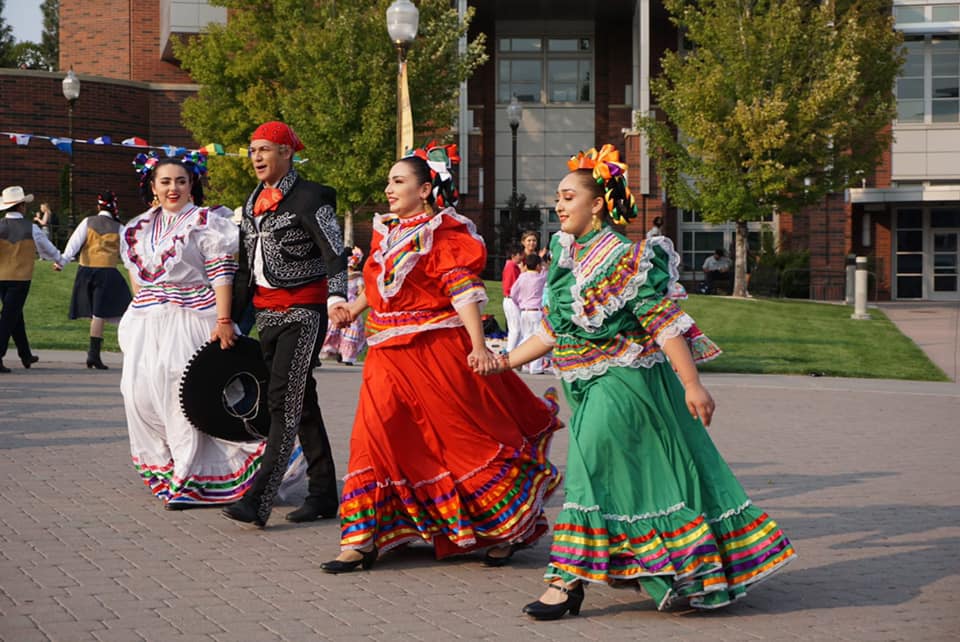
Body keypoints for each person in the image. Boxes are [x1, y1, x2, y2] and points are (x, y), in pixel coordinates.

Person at [480, 145, 795, 618]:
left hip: (623, 382)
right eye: (558, 199)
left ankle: (566, 581)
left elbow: (664, 323)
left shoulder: (629, 258)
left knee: (588, 476)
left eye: (568, 196)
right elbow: (551, 331)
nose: (559, 206)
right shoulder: (566, 263)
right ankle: (668, 566)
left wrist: (692, 384)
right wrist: (505, 362)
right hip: (583, 388)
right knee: (617, 481)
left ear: (598, 204)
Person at [319, 143, 562, 574]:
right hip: (386, 356)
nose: (389, 189)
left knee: (459, 440)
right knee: (371, 437)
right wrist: (349, 311)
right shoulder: (386, 230)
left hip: (435, 351)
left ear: (426, 189)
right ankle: (360, 539)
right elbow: (379, 286)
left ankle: (508, 530)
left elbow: (464, 291)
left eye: (399, 181)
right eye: (389, 181)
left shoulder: (445, 232)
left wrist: (478, 344)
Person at [118, 153, 266, 508]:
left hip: (192, 318)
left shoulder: (206, 223)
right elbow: (137, 280)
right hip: (147, 323)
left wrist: (224, 320)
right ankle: (166, 467)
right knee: (138, 396)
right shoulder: (136, 228)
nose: (173, 188)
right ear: (152, 186)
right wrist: (140, 317)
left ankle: (191, 478)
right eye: (166, 182)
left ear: (192, 185)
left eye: (181, 181)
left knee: (181, 396)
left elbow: (221, 276)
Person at [223, 121, 348, 529]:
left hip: (303, 313)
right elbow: (246, 268)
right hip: (266, 314)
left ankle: (257, 501)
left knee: (282, 400)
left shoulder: (312, 197)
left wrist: (337, 297)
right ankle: (324, 493)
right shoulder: (250, 202)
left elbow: (334, 253)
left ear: (286, 152)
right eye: (252, 149)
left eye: (264, 149)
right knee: (301, 399)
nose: (256, 157)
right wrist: (232, 320)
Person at [55, 191, 133, 369]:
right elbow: (127, 255)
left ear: (98, 206)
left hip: (86, 271)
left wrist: (62, 261)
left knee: (98, 314)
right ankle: (96, 354)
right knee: (114, 312)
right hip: (107, 272)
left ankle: (94, 354)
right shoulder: (119, 227)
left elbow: (74, 244)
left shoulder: (88, 222)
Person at [0, 186, 65, 373]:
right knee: (8, 318)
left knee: (14, 315)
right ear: (21, 206)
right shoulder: (31, 228)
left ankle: (25, 354)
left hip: (1, 277)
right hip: (20, 279)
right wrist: (60, 259)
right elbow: (47, 248)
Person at [319, 246, 366, 365]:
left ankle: (333, 349)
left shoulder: (339, 276)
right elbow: (361, 291)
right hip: (353, 303)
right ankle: (347, 356)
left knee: (334, 326)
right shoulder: (358, 277)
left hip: (338, 301)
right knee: (351, 328)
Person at [511, 252, 547, 374]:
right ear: (537, 266)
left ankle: (516, 356)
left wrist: (518, 302)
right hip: (536, 311)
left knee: (526, 336)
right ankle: (535, 367)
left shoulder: (522, 277)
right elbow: (548, 274)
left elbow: (513, 293)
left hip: (524, 311)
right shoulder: (540, 277)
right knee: (538, 338)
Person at [500, 244, 523, 353]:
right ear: (514, 255)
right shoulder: (512, 267)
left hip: (509, 299)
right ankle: (510, 352)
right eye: (520, 254)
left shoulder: (509, 266)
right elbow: (514, 286)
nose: (522, 257)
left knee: (514, 328)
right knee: (516, 328)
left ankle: (511, 350)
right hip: (511, 299)